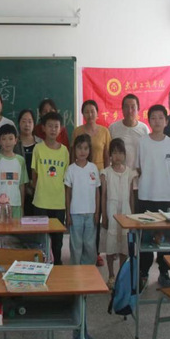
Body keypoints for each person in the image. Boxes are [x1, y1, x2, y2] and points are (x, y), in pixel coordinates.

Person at [136, 104, 170, 289]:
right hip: (146, 194)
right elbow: (139, 168)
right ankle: (143, 273)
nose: (157, 121)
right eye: (153, 118)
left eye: (161, 118)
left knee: (165, 237)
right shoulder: (142, 142)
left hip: (165, 195)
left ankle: (164, 272)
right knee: (145, 237)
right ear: (149, 121)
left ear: (166, 121)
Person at [71, 99, 111, 266]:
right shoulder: (77, 131)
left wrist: (106, 175)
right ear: (83, 114)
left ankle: (95, 253)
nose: (89, 114)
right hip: (80, 176)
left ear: (97, 112)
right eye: (86, 111)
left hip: (98, 176)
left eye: (92, 111)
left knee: (96, 215)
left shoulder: (104, 131)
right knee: (84, 213)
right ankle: (81, 255)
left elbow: (107, 155)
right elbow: (72, 152)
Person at [31, 111, 70, 265]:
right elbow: (34, 174)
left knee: (57, 239)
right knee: (41, 237)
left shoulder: (64, 151)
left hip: (58, 202)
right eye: (50, 126)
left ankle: (57, 264)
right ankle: (41, 265)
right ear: (43, 128)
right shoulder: (38, 149)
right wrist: (40, 190)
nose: (53, 129)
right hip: (41, 201)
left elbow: (66, 178)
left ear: (61, 128)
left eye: (56, 126)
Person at [100, 138, 137, 289]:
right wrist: (104, 215)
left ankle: (121, 275)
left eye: (120, 153)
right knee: (111, 244)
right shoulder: (105, 173)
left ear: (125, 154)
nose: (117, 156)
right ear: (110, 155)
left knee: (124, 246)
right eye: (114, 153)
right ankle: (111, 275)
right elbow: (103, 195)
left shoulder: (129, 173)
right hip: (111, 210)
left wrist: (133, 216)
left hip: (126, 211)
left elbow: (131, 196)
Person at [109, 94, 149, 210]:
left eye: (133, 107)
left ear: (138, 109)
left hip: (138, 182)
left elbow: (147, 155)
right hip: (118, 180)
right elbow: (109, 154)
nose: (129, 110)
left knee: (136, 214)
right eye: (126, 107)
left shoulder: (144, 129)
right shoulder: (113, 128)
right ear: (122, 109)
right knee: (119, 214)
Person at [65, 134, 100, 266]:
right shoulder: (71, 169)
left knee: (90, 244)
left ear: (89, 150)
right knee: (76, 244)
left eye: (86, 148)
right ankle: (75, 269)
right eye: (79, 148)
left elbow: (97, 191)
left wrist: (97, 213)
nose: (82, 151)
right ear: (74, 149)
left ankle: (88, 269)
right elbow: (68, 193)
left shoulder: (93, 168)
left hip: (90, 213)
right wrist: (68, 214)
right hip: (75, 213)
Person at [0, 124, 28, 219]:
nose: (7, 142)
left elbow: (22, 185)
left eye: (11, 138)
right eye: (4, 139)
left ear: (16, 140)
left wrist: (22, 206)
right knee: (0, 228)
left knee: (16, 228)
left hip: (16, 204)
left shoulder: (20, 160)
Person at [14, 109, 42, 216]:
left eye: (30, 121)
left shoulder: (40, 143)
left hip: (36, 188)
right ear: (19, 123)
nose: (27, 125)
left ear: (34, 124)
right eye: (24, 121)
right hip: (17, 187)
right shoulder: (13, 142)